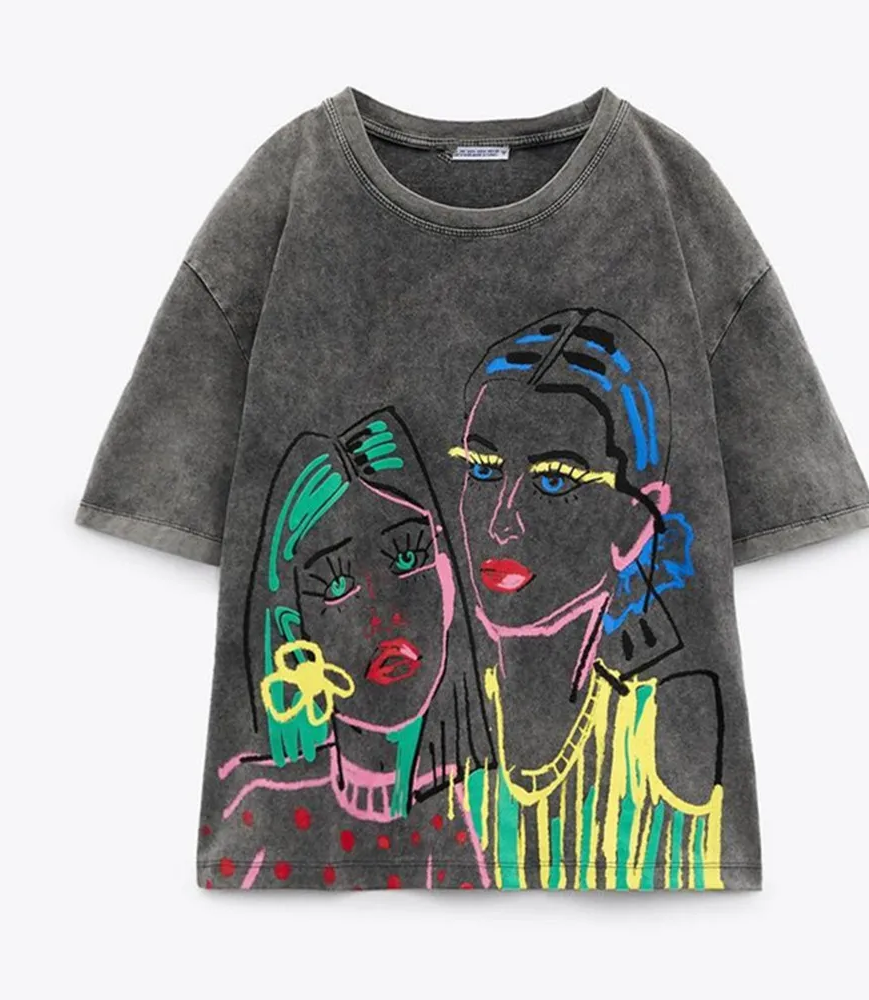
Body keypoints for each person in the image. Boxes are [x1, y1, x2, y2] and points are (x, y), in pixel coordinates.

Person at [450, 309, 724, 890]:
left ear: (634, 519)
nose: (502, 521)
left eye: (554, 479)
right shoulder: (443, 724)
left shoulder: (668, 725)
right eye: (484, 470)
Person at [206, 407, 493, 888]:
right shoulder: (254, 808)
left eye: (408, 556)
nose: (385, 615)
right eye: (337, 585)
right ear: (295, 631)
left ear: (446, 579)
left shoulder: (490, 813)